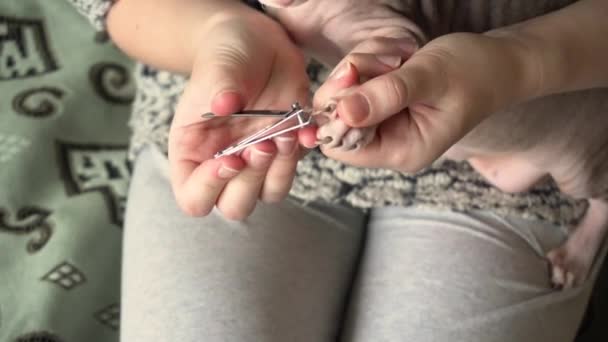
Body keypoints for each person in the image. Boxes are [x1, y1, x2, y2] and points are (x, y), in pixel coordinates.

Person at [69, 0, 607, 341]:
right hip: (238, 104)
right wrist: (220, 27)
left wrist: (521, 64)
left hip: (539, 111)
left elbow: (389, 39)